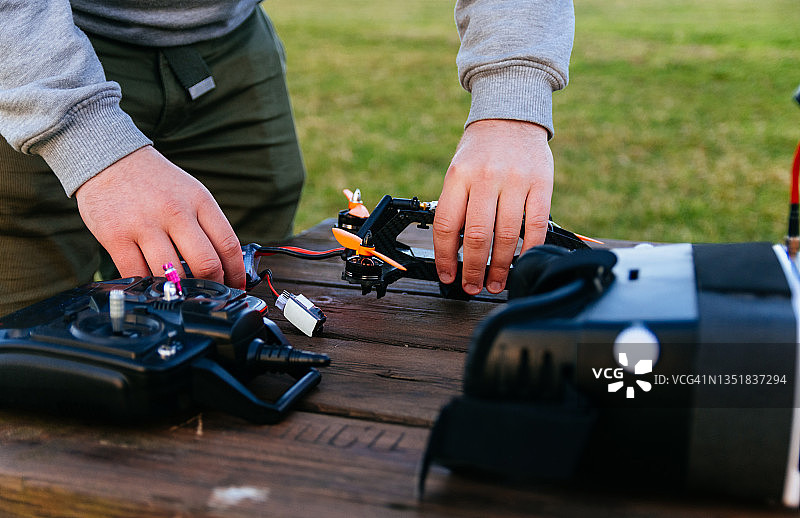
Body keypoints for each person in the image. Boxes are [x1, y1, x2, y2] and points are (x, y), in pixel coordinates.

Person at [0, 1, 574, 315]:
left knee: (243, 314)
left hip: (231, 42)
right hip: (30, 55)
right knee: (23, 353)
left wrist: (510, 103)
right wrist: (89, 143)